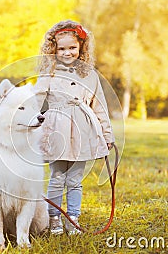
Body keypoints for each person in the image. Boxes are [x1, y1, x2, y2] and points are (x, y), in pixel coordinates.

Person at [33, 20, 115, 235]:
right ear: (53, 49)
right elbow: (35, 100)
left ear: (81, 48)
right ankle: (54, 220)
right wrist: (26, 123)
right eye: (62, 48)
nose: (67, 53)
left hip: (84, 128)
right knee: (57, 176)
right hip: (57, 128)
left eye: (72, 48)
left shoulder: (89, 74)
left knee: (76, 179)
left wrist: (107, 133)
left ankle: (73, 219)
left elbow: (100, 107)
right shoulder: (48, 73)